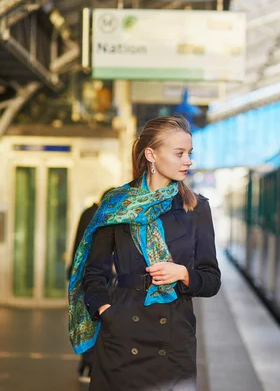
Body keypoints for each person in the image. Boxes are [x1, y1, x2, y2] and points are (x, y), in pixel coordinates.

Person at [68, 116, 221, 391]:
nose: (188, 161)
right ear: (151, 154)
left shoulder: (196, 209)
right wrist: (106, 312)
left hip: (174, 340)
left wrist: (184, 273)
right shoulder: (117, 204)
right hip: (121, 336)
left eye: (189, 153)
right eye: (179, 153)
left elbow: (211, 280)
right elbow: (93, 274)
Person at [67, 188, 114, 383]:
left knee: (85, 319)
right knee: (91, 319)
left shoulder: (87, 212)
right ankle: (88, 365)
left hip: (82, 274)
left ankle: (86, 365)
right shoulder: (97, 216)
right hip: (90, 276)